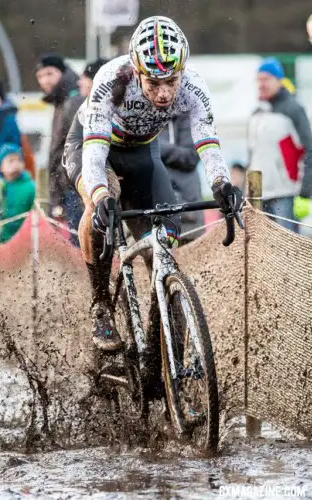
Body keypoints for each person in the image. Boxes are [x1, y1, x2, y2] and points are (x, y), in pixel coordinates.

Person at [64, 16, 240, 351]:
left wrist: (221, 183)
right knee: (102, 202)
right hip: (94, 146)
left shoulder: (193, 85)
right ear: (137, 71)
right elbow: (95, 154)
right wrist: (101, 194)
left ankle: (163, 324)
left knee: (162, 237)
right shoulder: (112, 79)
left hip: (143, 151)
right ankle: (101, 306)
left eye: (170, 82)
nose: (163, 93)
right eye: (154, 83)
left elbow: (207, 141)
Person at [248, 57, 312, 233]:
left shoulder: (293, 109)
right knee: (260, 244)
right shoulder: (256, 113)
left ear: (279, 80)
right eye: (259, 79)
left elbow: (309, 148)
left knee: (286, 244)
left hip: (284, 192)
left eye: (266, 79)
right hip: (257, 193)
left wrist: (306, 188)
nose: (261, 84)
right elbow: (253, 154)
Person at [35, 52, 84, 246]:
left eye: (49, 73)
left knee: (81, 246)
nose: (44, 80)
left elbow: (66, 150)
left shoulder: (72, 101)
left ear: (62, 72)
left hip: (75, 186)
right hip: (69, 185)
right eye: (40, 76)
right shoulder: (60, 101)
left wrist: (59, 194)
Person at [158, 113, 204, 241]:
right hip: (155, 210)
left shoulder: (190, 117)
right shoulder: (142, 118)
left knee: (192, 254)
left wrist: (156, 148)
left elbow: (192, 157)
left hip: (188, 211)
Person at [0, 143, 36, 243]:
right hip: (1, 240)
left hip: (25, 239)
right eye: (10, 160)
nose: (15, 164)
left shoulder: (31, 187)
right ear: (1, 166)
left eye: (19, 160)